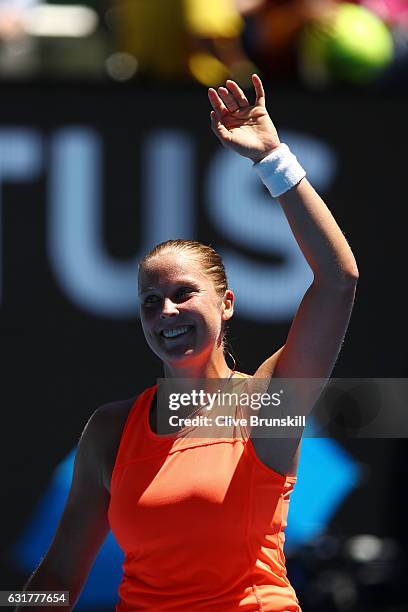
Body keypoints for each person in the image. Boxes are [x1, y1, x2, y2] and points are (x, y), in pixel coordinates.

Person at [17, 74, 358, 611]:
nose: (166, 312)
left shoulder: (270, 403)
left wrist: (273, 160)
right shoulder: (109, 430)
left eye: (183, 294)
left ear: (226, 304)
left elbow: (338, 279)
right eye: (150, 302)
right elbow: (59, 571)